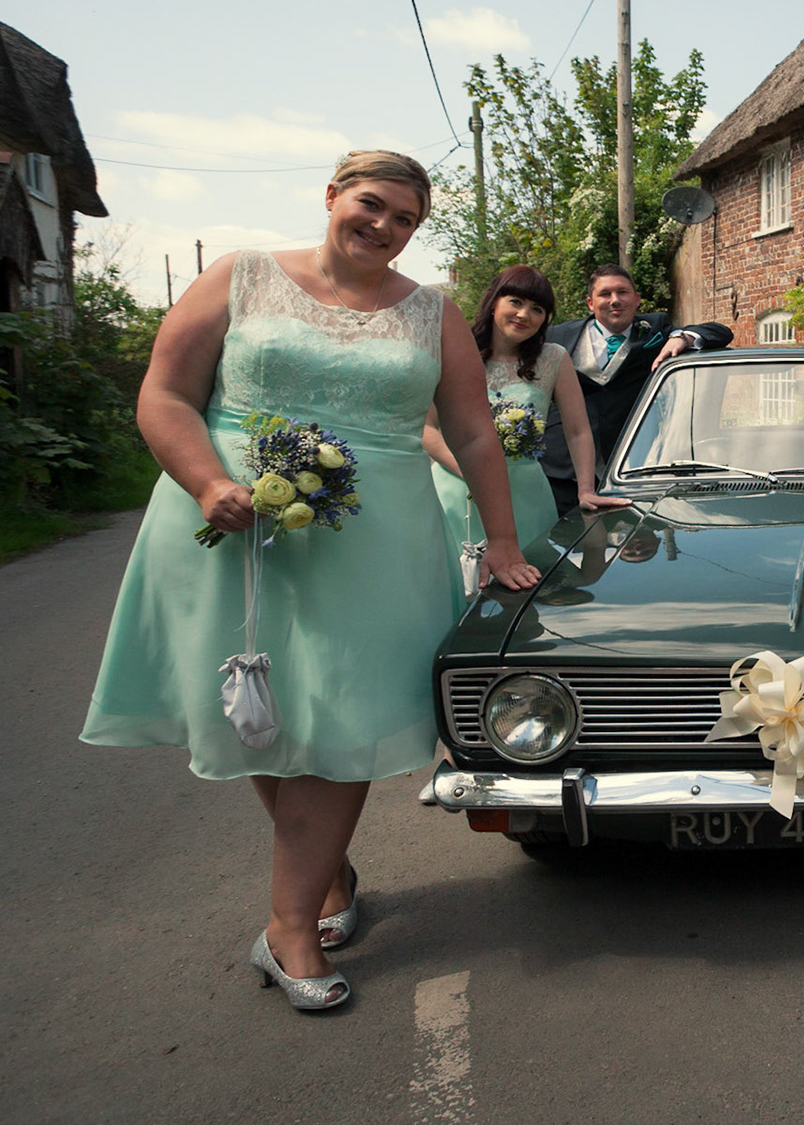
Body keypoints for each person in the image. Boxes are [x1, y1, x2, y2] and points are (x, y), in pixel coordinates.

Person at [80, 150, 540, 1012]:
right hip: (237, 526)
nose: (385, 226)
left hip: (377, 541)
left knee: (344, 715)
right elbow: (165, 395)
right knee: (264, 711)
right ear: (331, 196)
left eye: (406, 219)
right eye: (371, 204)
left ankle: (287, 928)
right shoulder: (240, 276)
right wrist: (206, 483)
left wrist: (503, 543)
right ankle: (324, 876)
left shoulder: (432, 312)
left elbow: (475, 432)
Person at [422, 265, 627, 584]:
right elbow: (428, 430)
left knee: (529, 589)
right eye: (516, 302)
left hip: (526, 496)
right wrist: (475, 474)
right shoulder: (454, 352)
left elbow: (577, 430)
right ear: (494, 302)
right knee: (453, 585)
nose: (524, 315)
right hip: (455, 492)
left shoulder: (553, 358)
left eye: (537, 309)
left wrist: (586, 489)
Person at [541, 265, 733, 514]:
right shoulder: (557, 334)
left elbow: (721, 332)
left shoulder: (656, 328)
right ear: (590, 302)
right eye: (605, 294)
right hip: (563, 470)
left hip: (630, 467)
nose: (615, 300)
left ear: (637, 299)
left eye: (622, 292)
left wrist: (682, 338)